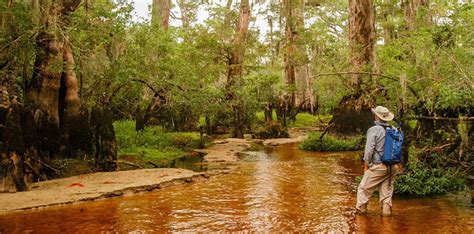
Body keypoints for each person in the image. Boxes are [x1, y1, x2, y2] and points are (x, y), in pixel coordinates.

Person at [356, 105, 398, 216]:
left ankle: (360, 216)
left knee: (363, 189)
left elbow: (369, 150)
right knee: (386, 195)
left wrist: (366, 165)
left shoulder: (374, 130)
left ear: (376, 117)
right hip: (392, 166)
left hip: (378, 166)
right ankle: (386, 222)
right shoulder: (394, 129)